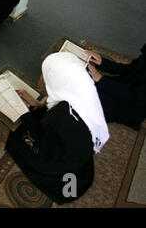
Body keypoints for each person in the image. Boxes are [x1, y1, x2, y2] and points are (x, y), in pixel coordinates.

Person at [6, 52, 110, 204]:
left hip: (61, 165)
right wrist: (38, 105)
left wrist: (25, 114)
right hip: (80, 160)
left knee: (15, 140)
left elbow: (43, 143)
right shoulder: (85, 92)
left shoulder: (60, 117)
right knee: (39, 118)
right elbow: (58, 114)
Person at [86, 45, 146, 131]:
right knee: (82, 75)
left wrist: (101, 80)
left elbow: (136, 98)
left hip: (128, 107)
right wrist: (103, 62)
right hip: (120, 87)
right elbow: (130, 69)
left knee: (84, 98)